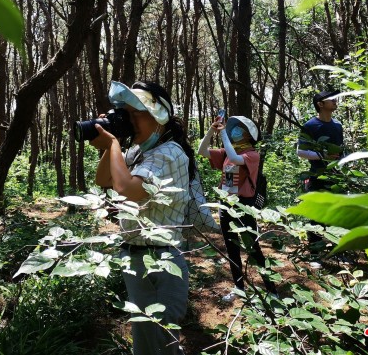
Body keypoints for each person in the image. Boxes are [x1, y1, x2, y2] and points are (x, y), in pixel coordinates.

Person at [90, 80, 194, 355]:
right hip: (135, 256)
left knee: (162, 340)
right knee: (145, 339)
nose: (129, 120)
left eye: (136, 114)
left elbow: (128, 188)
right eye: (126, 113)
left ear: (158, 119)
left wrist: (113, 144)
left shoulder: (170, 153)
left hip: (162, 261)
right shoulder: (138, 152)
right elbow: (104, 179)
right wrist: (112, 144)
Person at [198, 114, 278, 303]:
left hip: (244, 206)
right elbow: (202, 151)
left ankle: (272, 290)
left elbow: (235, 158)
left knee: (253, 247)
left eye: (239, 129)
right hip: (226, 205)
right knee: (231, 248)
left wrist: (224, 132)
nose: (234, 132)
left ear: (248, 135)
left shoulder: (251, 155)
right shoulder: (226, 152)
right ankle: (238, 288)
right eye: (233, 128)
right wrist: (211, 130)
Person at [297, 89, 344, 252]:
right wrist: (323, 156)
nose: (335, 101)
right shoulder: (310, 126)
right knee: (317, 215)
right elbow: (300, 152)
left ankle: (337, 252)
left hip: (337, 177)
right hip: (317, 176)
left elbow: (340, 151)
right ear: (320, 104)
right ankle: (315, 252)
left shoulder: (338, 126)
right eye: (331, 99)